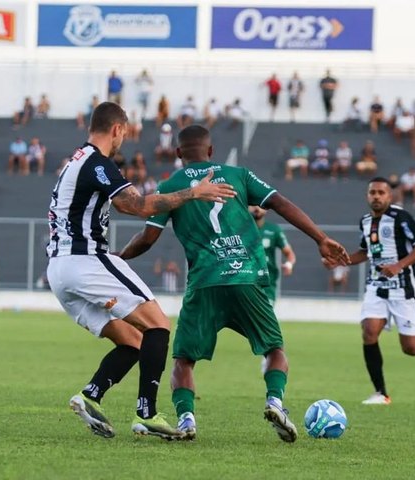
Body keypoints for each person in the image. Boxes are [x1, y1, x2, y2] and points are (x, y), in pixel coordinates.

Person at [118, 125, 350, 442]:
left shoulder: (170, 187)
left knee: (184, 359)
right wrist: (321, 239)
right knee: (274, 349)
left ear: (177, 154)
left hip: (204, 283)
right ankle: (275, 402)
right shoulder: (239, 175)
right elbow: (281, 203)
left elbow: (147, 239)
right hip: (247, 279)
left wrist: (118, 257)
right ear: (211, 151)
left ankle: (186, 420)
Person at [49, 103, 235, 441]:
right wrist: (194, 193)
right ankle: (146, 413)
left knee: (134, 341)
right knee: (158, 325)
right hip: (84, 259)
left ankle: (91, 395)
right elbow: (134, 205)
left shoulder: (75, 161)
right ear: (118, 129)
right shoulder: (96, 162)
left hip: (60, 271)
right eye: (125, 132)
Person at [325, 178, 415, 405]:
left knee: (411, 349)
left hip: (403, 290)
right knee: (369, 332)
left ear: (389, 196)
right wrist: (341, 261)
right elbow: (366, 252)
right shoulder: (364, 221)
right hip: (377, 287)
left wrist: (399, 265)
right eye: (372, 192)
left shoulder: (401, 218)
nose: (376, 196)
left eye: (381, 192)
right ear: (367, 196)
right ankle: (381, 393)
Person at [250, 206, 296, 304]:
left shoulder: (274, 230)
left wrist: (289, 264)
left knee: (264, 317)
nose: (257, 208)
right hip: (246, 280)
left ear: (266, 209)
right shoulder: (240, 229)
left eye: (260, 205)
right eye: (253, 205)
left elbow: (289, 253)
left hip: (267, 282)